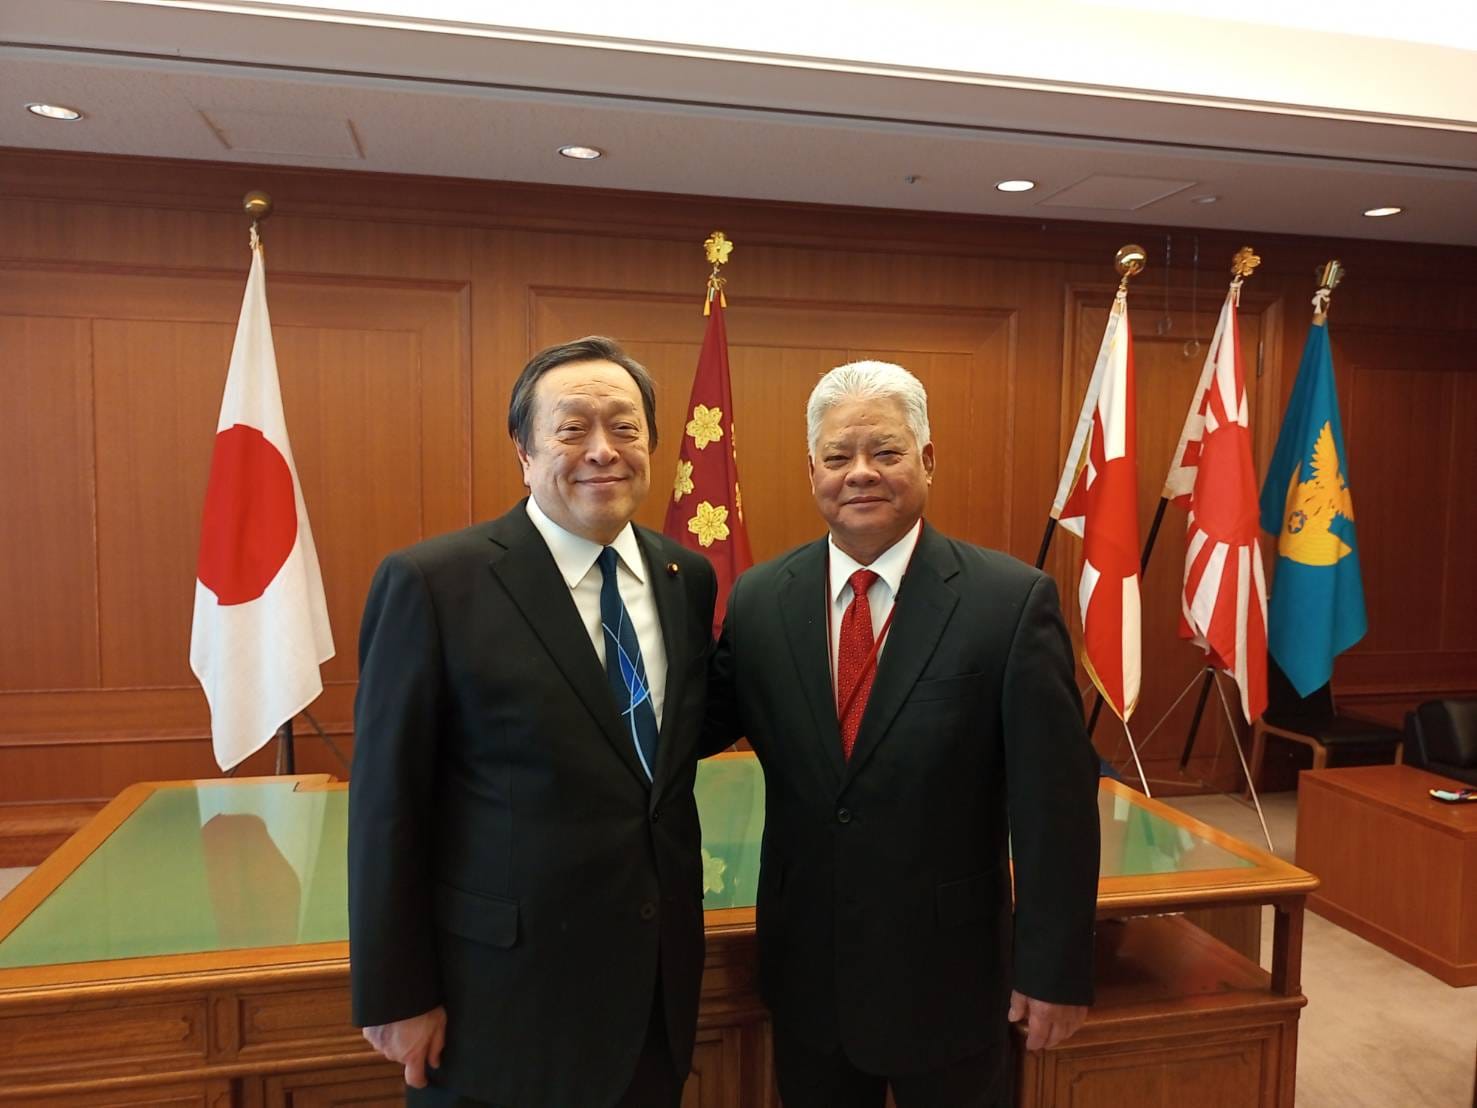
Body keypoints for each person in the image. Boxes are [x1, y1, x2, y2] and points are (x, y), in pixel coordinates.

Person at [707, 360, 1100, 1107]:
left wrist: (1053, 970)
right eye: (837, 456)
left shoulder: (1008, 603)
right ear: (811, 470)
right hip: (807, 973)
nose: (859, 473)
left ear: (927, 460)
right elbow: (694, 723)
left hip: (951, 978)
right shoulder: (760, 600)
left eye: (884, 452)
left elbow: (1055, 807)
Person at [349, 336, 717, 1107]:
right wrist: (394, 994)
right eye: (571, 428)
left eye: (624, 428)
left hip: (653, 996)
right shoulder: (434, 583)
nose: (601, 451)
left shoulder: (687, 577)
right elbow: (387, 806)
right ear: (522, 450)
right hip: (500, 1009)